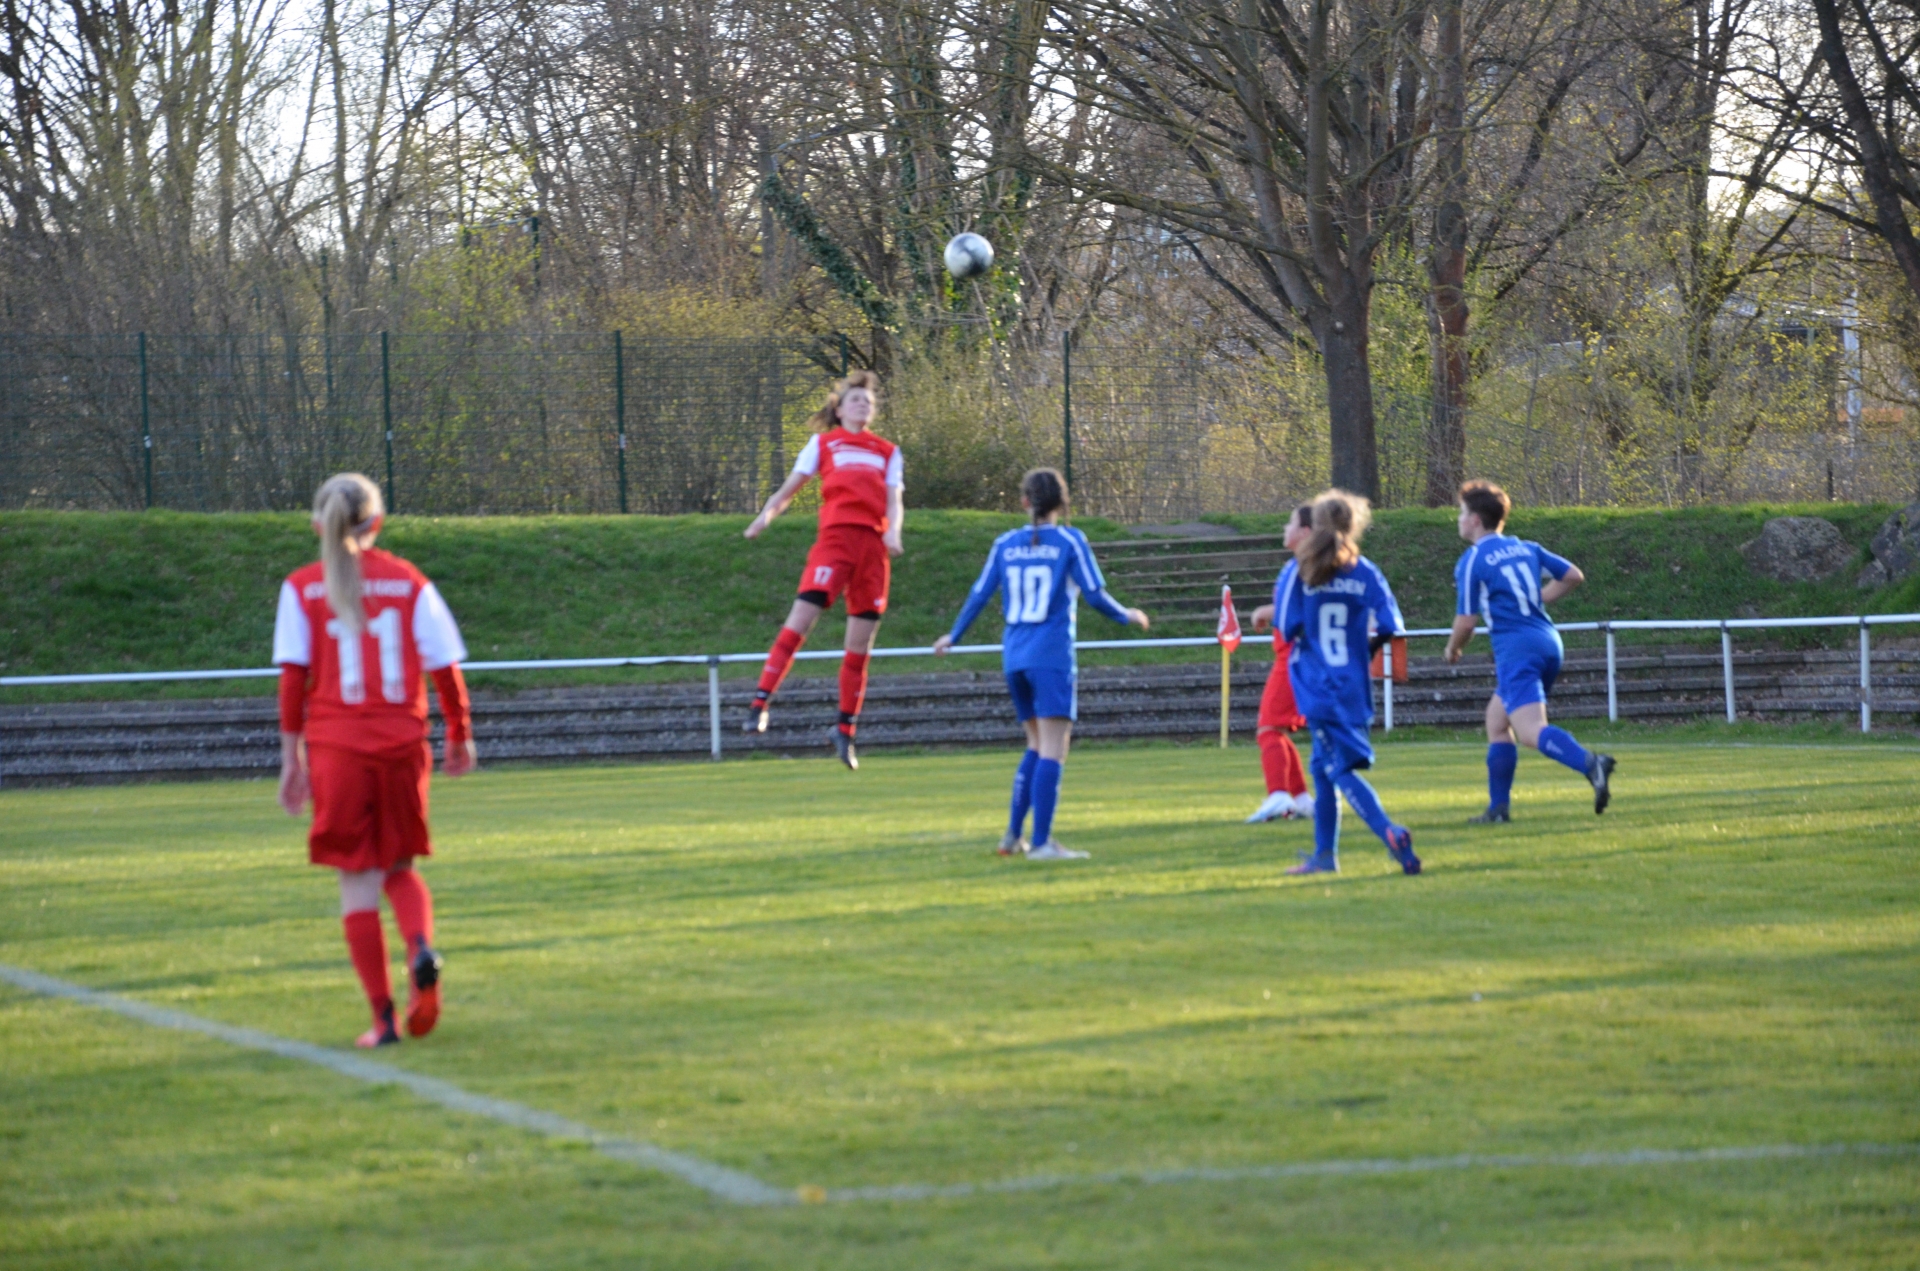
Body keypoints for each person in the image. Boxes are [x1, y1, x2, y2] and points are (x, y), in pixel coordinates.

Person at [273, 473, 476, 1048]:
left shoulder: (302, 587)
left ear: (317, 526)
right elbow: (444, 666)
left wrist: (292, 760)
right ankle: (420, 948)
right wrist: (459, 732)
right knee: (400, 869)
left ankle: (384, 1020)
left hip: (337, 751)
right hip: (401, 745)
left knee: (357, 882)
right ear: (377, 523)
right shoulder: (408, 581)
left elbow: (292, 680)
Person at [933, 468, 1149, 860]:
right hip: (1050, 656)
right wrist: (1126, 615)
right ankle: (1043, 843)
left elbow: (979, 594)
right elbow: (1094, 594)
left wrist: (954, 635)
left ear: (1024, 502)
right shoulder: (1070, 539)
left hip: (1014, 657)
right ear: (1063, 504)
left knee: (1034, 744)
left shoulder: (1004, 543)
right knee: (1053, 747)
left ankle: (1013, 837)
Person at [742, 370, 903, 770]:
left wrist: (894, 532)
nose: (862, 404)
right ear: (840, 409)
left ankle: (845, 730)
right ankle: (760, 702)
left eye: (868, 401)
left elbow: (894, 500)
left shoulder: (887, 451)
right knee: (800, 622)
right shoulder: (824, 444)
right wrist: (764, 518)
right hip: (835, 543)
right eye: (855, 400)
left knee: (860, 647)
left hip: (871, 549)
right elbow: (787, 491)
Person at [1444, 480, 1615, 820]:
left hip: (1517, 648)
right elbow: (1573, 575)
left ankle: (1590, 763)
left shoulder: (1473, 559)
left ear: (1475, 520)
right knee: (1497, 721)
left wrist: (1452, 649)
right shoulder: (1525, 548)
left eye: (1462, 513)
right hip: (1548, 641)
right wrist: (1538, 598)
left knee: (1529, 731)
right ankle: (1498, 809)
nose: (1459, 520)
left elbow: (1466, 623)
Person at [1275, 490, 1420, 876]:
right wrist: (1363, 651)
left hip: (1318, 684)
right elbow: (1390, 625)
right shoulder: (1365, 570)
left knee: (1338, 768)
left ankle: (1390, 832)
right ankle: (1324, 856)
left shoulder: (1300, 569)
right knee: (1322, 769)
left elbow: (1287, 626)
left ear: (1316, 525)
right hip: (1354, 684)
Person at [1244, 504, 1315, 823]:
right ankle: (1300, 798)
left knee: (1268, 728)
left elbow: (1302, 610)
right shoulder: (1313, 565)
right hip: (1302, 657)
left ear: (1305, 532)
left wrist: (1265, 612)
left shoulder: (1301, 567)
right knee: (1279, 730)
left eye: (1291, 523)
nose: (1285, 528)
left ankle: (1278, 796)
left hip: (1292, 657)